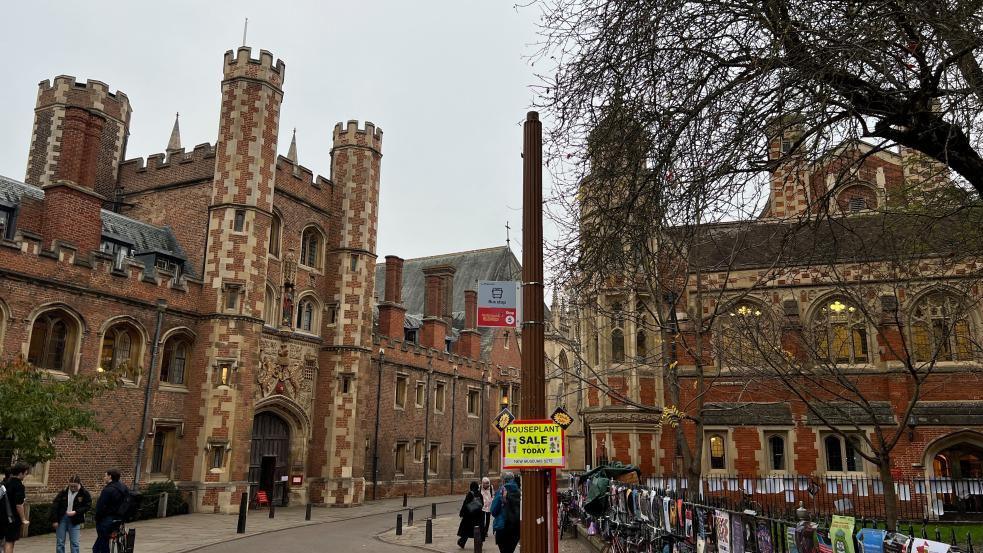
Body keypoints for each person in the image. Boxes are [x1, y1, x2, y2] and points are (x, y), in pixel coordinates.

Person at [50, 475, 91, 553]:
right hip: (62, 518)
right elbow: (55, 505)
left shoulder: (84, 493)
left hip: (75, 519)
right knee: (60, 542)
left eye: (74, 486)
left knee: (75, 543)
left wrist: (76, 512)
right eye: (71, 486)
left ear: (79, 484)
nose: (72, 488)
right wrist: (55, 520)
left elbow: (87, 506)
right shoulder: (63, 492)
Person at [92, 469, 128, 553]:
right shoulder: (123, 487)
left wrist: (97, 518)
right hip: (119, 519)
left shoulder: (108, 490)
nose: (104, 478)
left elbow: (100, 507)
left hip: (107, 520)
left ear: (110, 476)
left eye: (105, 476)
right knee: (100, 544)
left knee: (100, 546)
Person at [490, 472, 521, 553]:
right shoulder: (519, 492)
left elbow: (493, 511)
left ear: (503, 480)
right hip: (516, 527)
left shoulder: (501, 491)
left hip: (503, 526)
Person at [2, 463, 30, 553]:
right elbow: (19, 505)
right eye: (25, 473)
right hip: (12, 519)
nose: (25, 475)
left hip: (1, 517)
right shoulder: (19, 486)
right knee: (9, 542)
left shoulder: (5, 483)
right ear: (20, 473)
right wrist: (23, 519)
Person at [457, 481, 484, 549]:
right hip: (478, 515)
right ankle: (479, 543)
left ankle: (462, 542)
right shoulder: (479, 494)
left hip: (469, 516)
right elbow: (482, 503)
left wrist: (462, 513)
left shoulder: (470, 494)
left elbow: (465, 504)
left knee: (466, 530)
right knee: (478, 530)